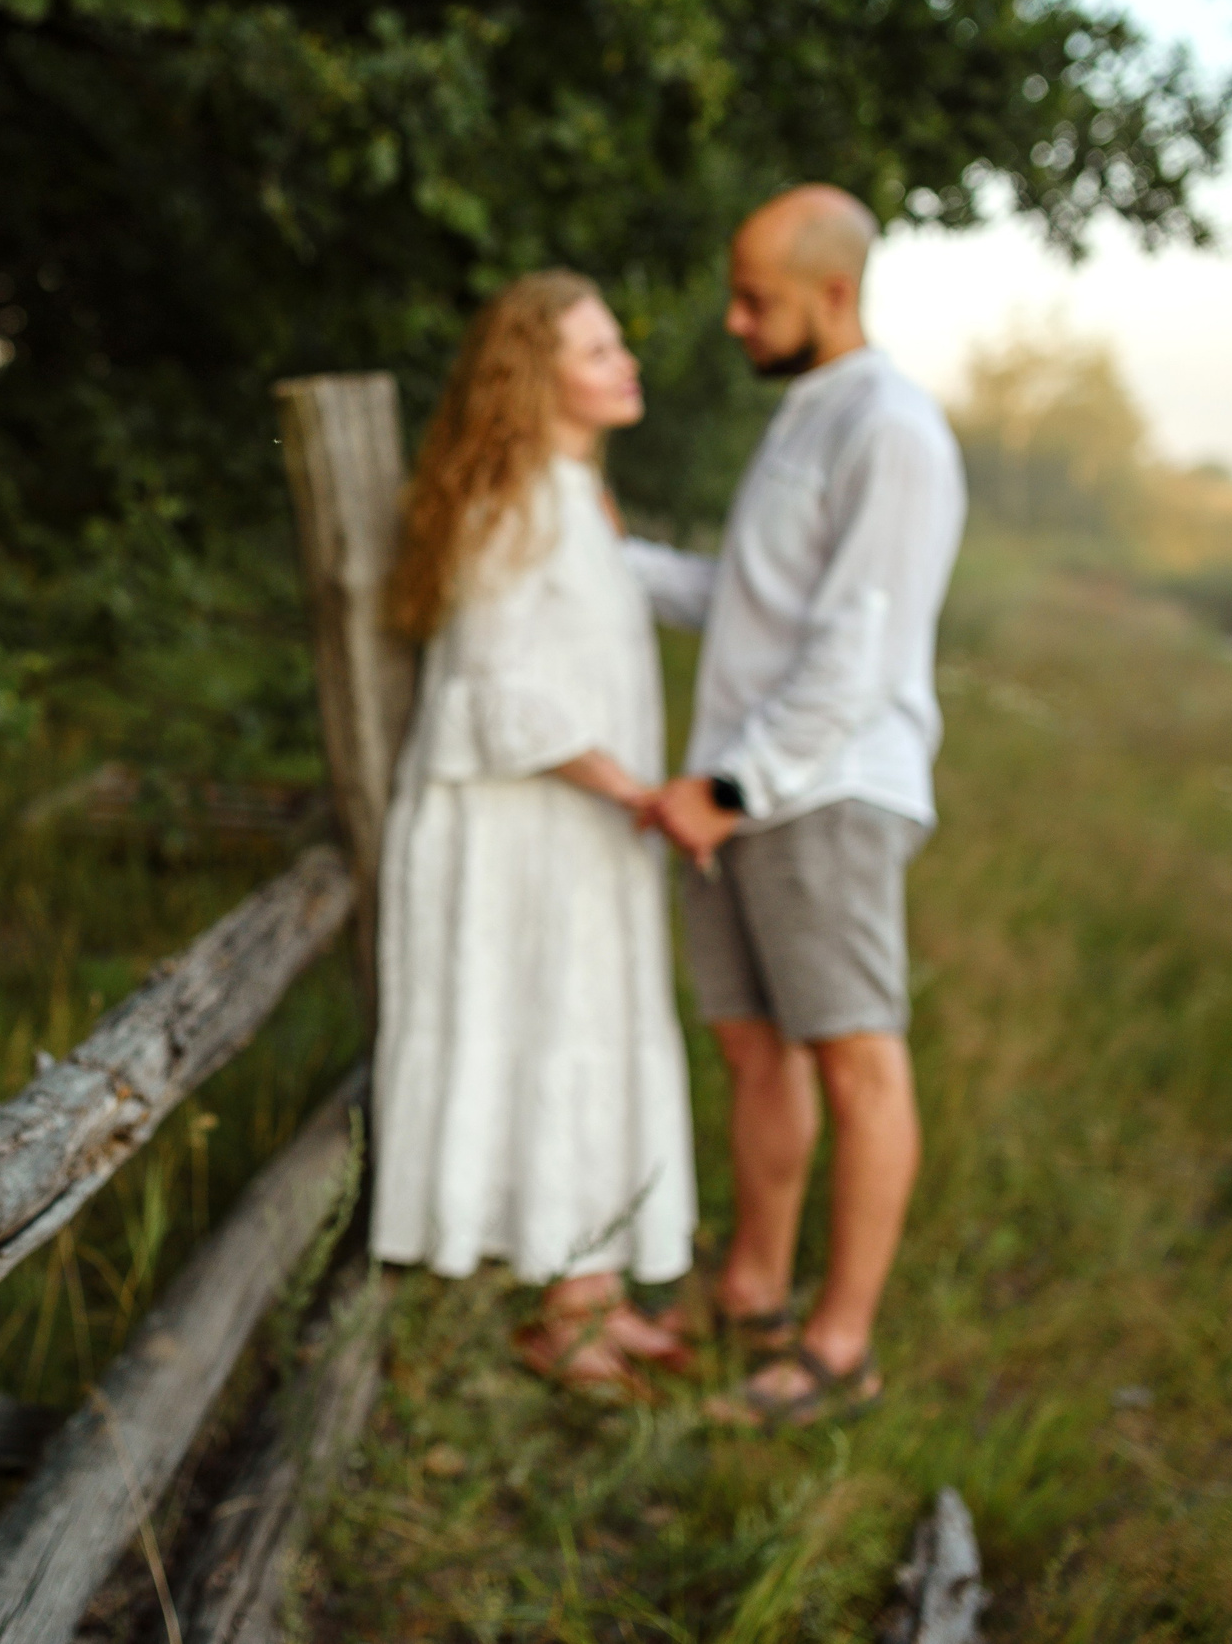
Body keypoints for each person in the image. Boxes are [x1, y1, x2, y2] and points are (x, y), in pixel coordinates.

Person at [624, 185, 966, 1426]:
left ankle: (837, 1348)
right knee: (752, 1048)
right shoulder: (807, 418)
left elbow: (859, 646)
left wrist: (728, 787)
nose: (732, 319)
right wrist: (599, 555)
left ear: (833, 292)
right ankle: (752, 1291)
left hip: (820, 792)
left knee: (856, 1056)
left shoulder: (889, 425)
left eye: (755, 297)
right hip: (752, 793)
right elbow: (752, 597)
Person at [370, 269, 697, 1391]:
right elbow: (499, 694)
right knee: (553, 1035)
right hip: (515, 822)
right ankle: (563, 1311)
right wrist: (637, 793)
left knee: (593, 1032)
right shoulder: (507, 496)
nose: (626, 364)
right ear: (535, 374)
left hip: (576, 820)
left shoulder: (574, 493)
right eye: (599, 350)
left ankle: (592, 1289)